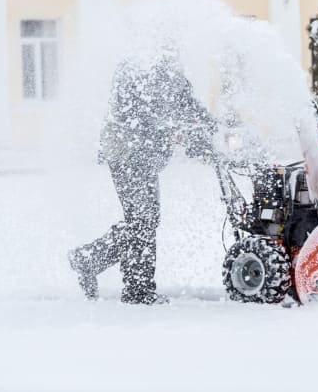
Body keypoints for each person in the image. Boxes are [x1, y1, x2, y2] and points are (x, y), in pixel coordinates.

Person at [68, 54, 217, 305]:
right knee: (143, 220)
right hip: (125, 153)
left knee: (143, 221)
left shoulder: (172, 72)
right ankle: (134, 287)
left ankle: (92, 261)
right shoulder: (131, 68)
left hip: (147, 158)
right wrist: (170, 127)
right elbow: (133, 112)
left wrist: (216, 128)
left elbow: (190, 106)